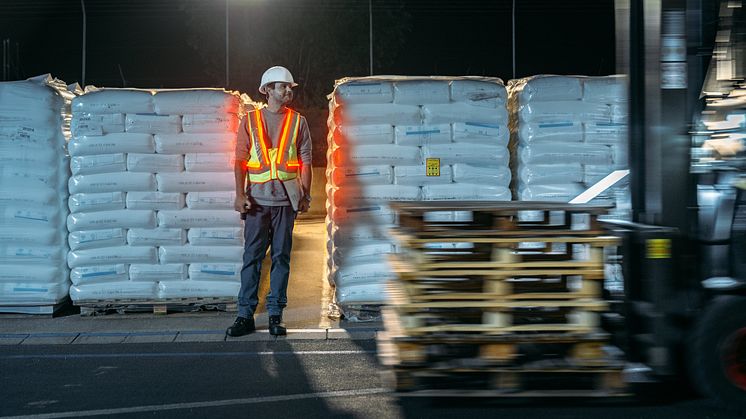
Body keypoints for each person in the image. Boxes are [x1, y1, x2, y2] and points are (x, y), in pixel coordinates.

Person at [227, 66, 312, 337]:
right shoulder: (250, 120)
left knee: (281, 258)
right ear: (267, 90)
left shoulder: (299, 121)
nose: (288, 91)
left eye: (289, 87)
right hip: (257, 201)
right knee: (251, 257)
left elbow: (306, 161)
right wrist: (240, 194)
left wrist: (305, 196)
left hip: (286, 202)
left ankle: (276, 314)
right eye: (282, 86)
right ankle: (245, 315)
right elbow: (240, 159)